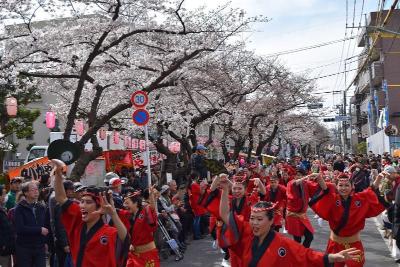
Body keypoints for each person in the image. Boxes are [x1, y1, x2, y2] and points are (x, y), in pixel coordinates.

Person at [216, 175, 361, 266]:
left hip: (299, 216)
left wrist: (331, 257)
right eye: (252, 219)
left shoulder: (282, 243)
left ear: (271, 221)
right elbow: (224, 214)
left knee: (304, 240)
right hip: (295, 216)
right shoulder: (245, 231)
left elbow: (307, 256)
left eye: (259, 219)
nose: (254, 222)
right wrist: (224, 190)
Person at [52, 159, 129, 267]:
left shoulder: (109, 232)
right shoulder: (78, 222)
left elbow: (125, 240)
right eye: (82, 202)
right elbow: (60, 197)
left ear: (99, 207)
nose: (82, 205)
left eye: (88, 202)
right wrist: (59, 173)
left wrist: (113, 214)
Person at [310, 173, 388, 267]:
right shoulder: (333, 199)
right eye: (340, 185)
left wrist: (379, 178)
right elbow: (326, 190)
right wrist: (319, 178)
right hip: (335, 244)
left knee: (356, 265)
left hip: (354, 243)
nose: (344, 188)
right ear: (336, 186)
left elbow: (370, 191)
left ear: (352, 186)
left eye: (347, 185)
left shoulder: (360, 198)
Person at [118, 189, 160, 266]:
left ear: (136, 203)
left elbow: (152, 209)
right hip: (134, 254)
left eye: (127, 203)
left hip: (148, 253)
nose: (124, 205)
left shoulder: (145, 211)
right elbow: (115, 212)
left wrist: (151, 197)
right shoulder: (127, 215)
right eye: (124, 203)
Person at [15, 181, 49, 267]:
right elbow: (20, 229)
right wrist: (39, 230)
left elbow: (45, 226)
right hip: (24, 247)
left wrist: (45, 242)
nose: (36, 192)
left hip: (39, 247)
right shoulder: (19, 208)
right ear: (25, 193)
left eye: (37, 189)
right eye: (33, 190)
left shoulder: (41, 207)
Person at [285, 168, 321, 248]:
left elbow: (317, 187)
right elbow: (295, 183)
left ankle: (303, 252)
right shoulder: (290, 183)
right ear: (294, 176)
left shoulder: (306, 183)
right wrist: (307, 176)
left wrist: (319, 178)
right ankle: (298, 255)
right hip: (293, 216)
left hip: (302, 215)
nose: (299, 177)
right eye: (297, 175)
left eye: (301, 175)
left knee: (309, 237)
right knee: (297, 240)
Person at [0, 185, 13, 267]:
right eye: (4, 194)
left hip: (6, 248)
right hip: (2, 250)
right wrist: (2, 245)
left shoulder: (2, 209)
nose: (5, 197)